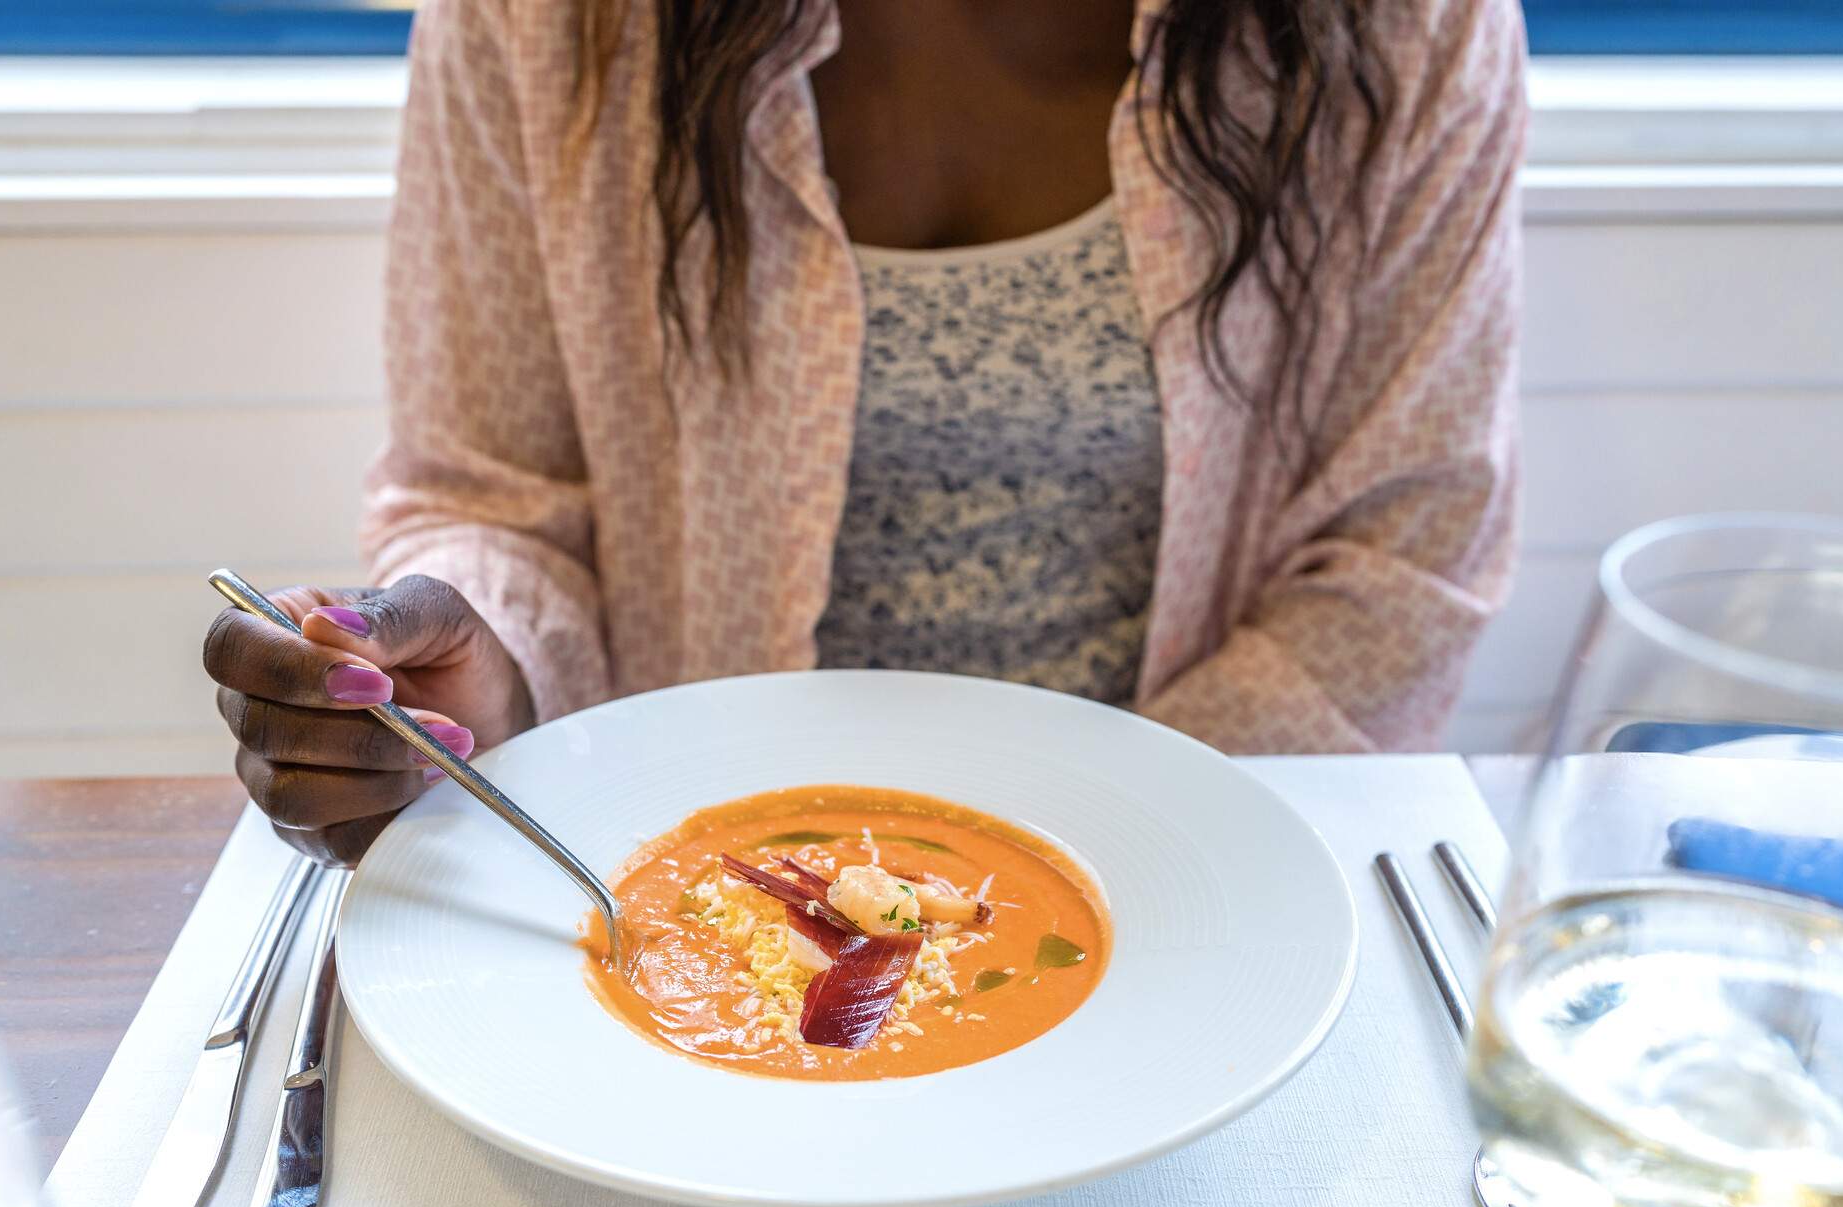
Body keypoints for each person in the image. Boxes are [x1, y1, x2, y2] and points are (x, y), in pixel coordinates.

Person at [204, 0, 1526, 865]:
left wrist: (1058, 857)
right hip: (676, 887)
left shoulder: (1404, 35)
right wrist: (479, 672)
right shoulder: (552, 26)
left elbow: (1399, 568)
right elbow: (493, 494)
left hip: (1173, 878)